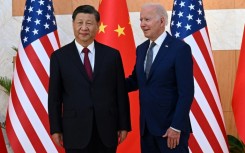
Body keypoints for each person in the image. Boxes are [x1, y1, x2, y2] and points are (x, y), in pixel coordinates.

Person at [48, 5, 131, 153]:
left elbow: (120, 93)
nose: (84, 27)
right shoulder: (59, 57)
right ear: (73, 24)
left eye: (89, 23)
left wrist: (123, 125)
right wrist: (55, 129)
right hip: (74, 130)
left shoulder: (112, 56)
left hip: (107, 129)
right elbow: (54, 97)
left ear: (98, 26)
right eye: (80, 23)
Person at [126, 3, 194, 153]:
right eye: (141, 20)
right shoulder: (141, 49)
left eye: (147, 20)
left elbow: (186, 92)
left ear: (162, 21)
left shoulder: (180, 49)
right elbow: (136, 81)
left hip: (170, 131)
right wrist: (107, 81)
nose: (142, 24)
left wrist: (176, 127)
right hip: (147, 129)